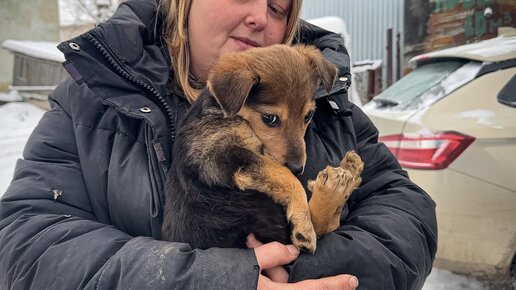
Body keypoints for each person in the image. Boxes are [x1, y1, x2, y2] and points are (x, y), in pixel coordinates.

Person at [0, 0, 437, 289]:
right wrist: (215, 279)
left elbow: (407, 216)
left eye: (278, 7)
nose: (259, 18)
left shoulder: (326, 102)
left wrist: (305, 271)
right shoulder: (90, 98)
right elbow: (25, 241)